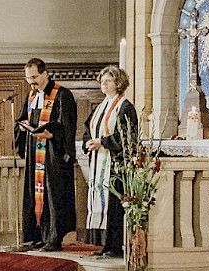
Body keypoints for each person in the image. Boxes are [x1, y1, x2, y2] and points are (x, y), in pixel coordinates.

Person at [14, 59, 77, 252]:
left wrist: (51, 135)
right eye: (28, 78)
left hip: (53, 155)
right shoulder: (32, 95)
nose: (31, 82)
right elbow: (23, 118)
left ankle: (53, 238)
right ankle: (36, 236)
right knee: (35, 194)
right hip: (35, 153)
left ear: (45, 73)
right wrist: (23, 126)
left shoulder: (61, 94)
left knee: (53, 194)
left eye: (34, 77)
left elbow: (67, 127)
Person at [82, 66, 137, 258]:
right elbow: (89, 127)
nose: (103, 84)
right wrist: (88, 141)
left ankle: (115, 245)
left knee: (113, 204)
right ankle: (104, 243)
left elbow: (127, 136)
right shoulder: (101, 107)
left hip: (115, 164)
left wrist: (103, 142)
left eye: (108, 81)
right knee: (99, 200)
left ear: (118, 83)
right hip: (99, 161)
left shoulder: (125, 107)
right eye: (102, 81)